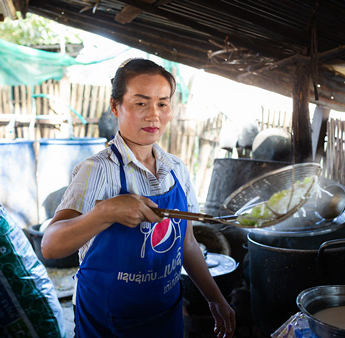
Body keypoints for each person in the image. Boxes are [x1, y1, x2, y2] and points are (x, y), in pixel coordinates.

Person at [41, 58, 235, 338]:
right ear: (115, 106)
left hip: (165, 312)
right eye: (141, 103)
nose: (153, 114)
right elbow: (50, 246)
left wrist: (214, 297)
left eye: (162, 103)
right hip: (107, 320)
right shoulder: (97, 171)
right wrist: (105, 213)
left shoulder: (177, 169)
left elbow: (187, 243)